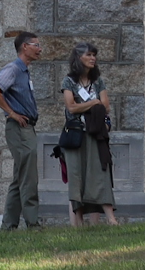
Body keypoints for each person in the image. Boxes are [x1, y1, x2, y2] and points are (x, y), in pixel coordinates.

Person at [0, 32, 44, 230]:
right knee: (28, 176)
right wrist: (11, 112)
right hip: (20, 128)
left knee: (20, 176)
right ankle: (32, 223)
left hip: (25, 128)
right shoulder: (13, 69)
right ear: (25, 47)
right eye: (36, 45)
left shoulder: (24, 71)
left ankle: (8, 225)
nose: (40, 49)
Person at [61, 42, 118, 225]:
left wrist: (88, 105)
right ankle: (78, 223)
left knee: (100, 174)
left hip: (95, 134)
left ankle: (111, 219)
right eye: (89, 55)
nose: (93, 58)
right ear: (79, 58)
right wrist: (93, 104)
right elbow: (71, 107)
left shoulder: (97, 81)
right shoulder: (68, 81)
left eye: (94, 55)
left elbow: (107, 106)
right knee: (76, 176)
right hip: (76, 136)